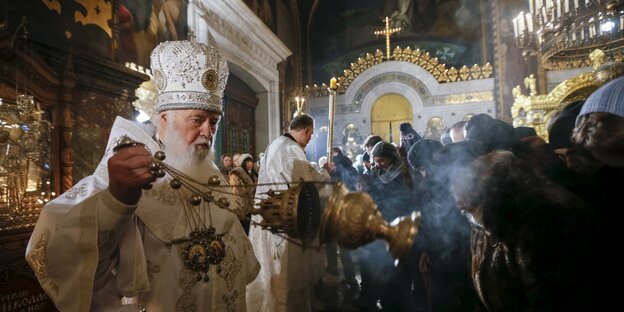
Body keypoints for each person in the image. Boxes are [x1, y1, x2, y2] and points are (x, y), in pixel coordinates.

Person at [25, 40, 259, 311]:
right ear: (164, 119)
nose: (208, 132)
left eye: (214, 122)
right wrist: (117, 200)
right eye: (197, 120)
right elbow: (63, 264)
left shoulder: (210, 176)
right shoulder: (121, 174)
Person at [247, 113, 328, 312]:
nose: (309, 140)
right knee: (287, 272)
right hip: (286, 222)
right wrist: (326, 174)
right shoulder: (292, 150)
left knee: (270, 268)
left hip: (269, 217)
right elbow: (306, 188)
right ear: (306, 130)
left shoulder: (276, 144)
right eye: (310, 135)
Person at [229, 153, 258, 234]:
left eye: (251, 162)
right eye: (247, 162)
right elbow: (237, 192)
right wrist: (253, 187)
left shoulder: (253, 173)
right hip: (243, 208)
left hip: (254, 206)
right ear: (243, 163)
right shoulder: (236, 174)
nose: (249, 164)